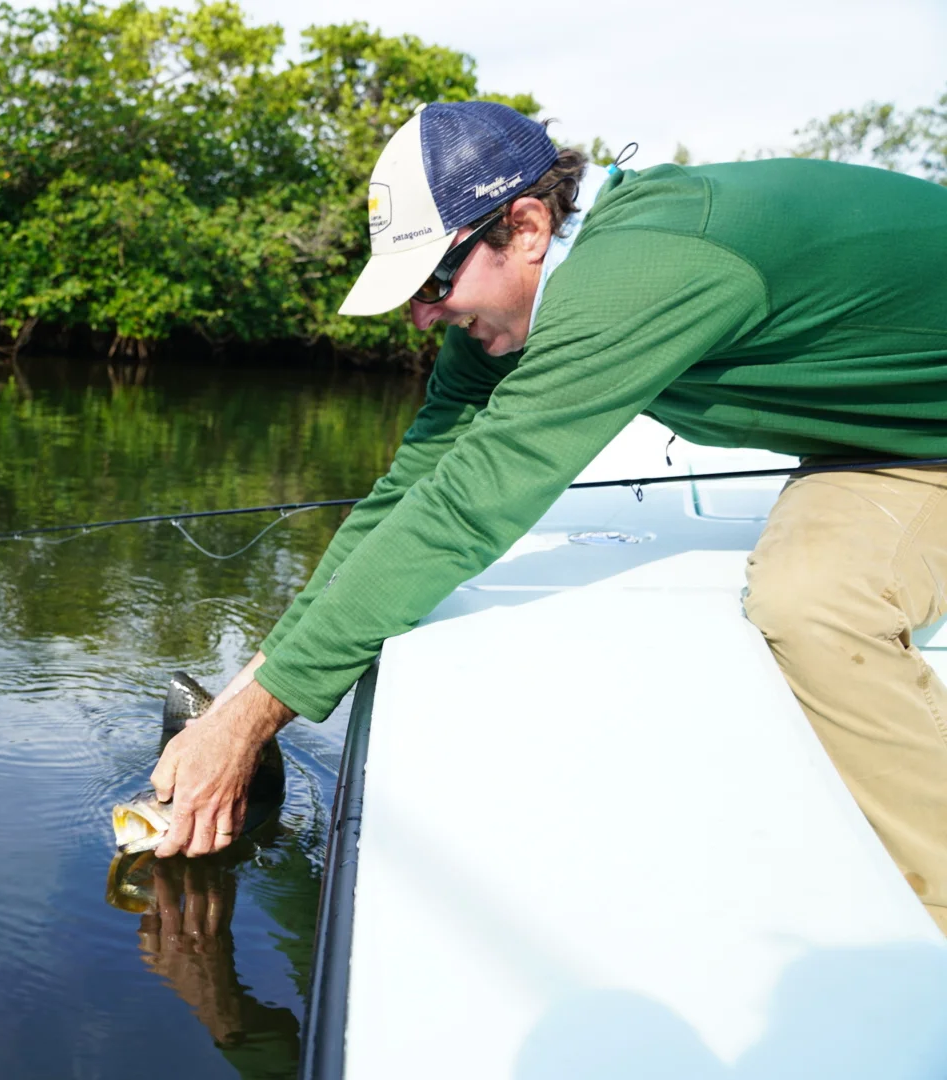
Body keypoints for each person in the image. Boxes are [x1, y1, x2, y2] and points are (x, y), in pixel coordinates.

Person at [148, 101, 947, 933]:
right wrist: (242, 696)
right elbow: (409, 493)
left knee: (814, 605)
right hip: (884, 435)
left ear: (527, 225)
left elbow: (466, 510)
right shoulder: (515, 311)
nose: (422, 317)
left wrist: (250, 724)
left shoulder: (639, 274)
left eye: (432, 283)